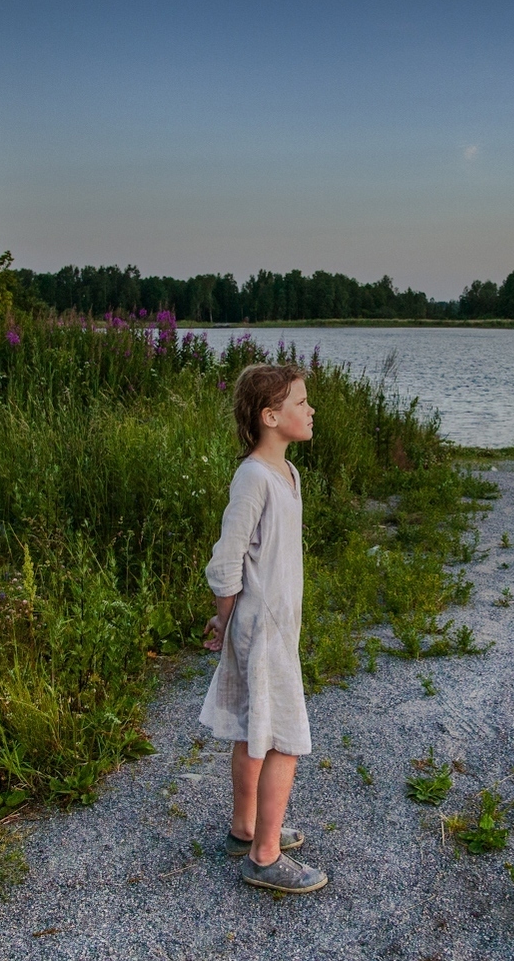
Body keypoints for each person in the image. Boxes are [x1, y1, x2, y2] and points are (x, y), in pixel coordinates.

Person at [199, 362, 327, 893]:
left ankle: (244, 829)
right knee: (284, 740)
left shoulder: (288, 474)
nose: (310, 409)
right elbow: (228, 560)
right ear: (271, 416)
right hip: (262, 628)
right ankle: (265, 856)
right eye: (300, 402)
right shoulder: (253, 477)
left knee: (257, 728)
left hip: (277, 625)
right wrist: (224, 619)